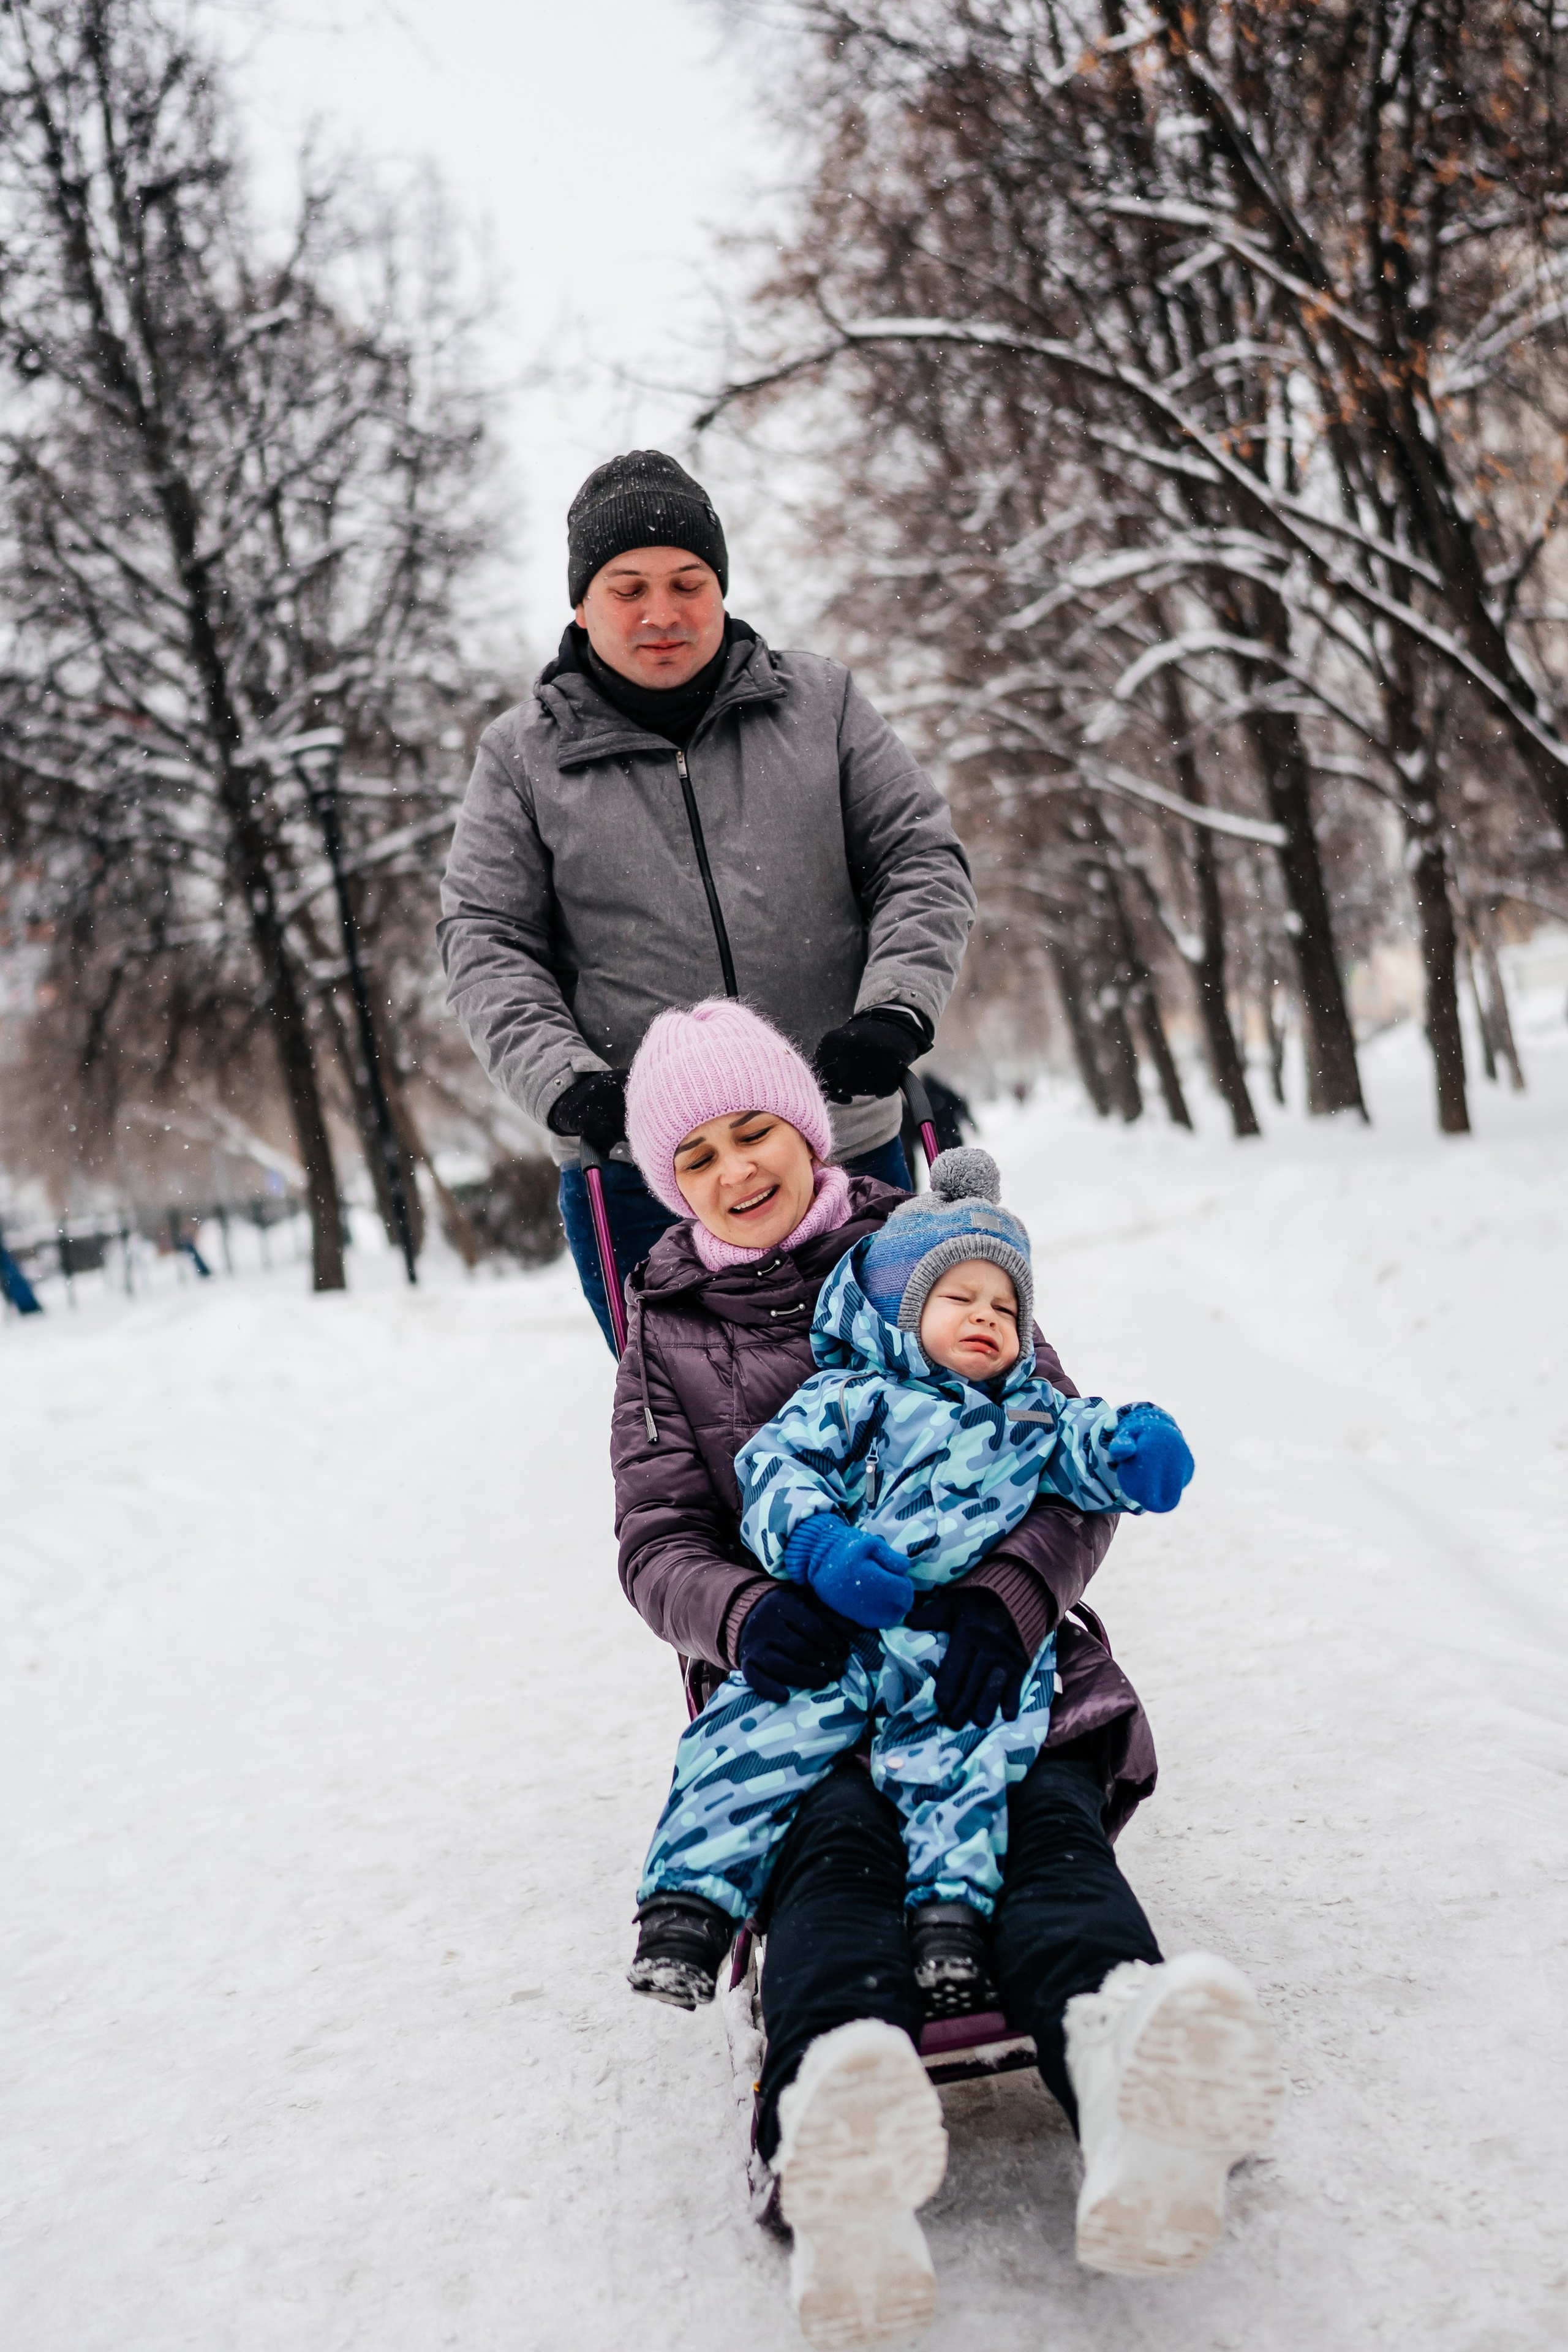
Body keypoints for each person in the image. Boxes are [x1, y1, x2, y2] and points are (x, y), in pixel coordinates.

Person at [609, 999, 1281, 2347]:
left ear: (808, 1131)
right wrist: (743, 1614)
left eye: (758, 1134)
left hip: (989, 1660)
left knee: (1042, 1831)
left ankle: (1127, 2065)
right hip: (807, 1676)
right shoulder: (664, 1332)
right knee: (833, 1850)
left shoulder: (937, 1258)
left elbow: (1062, 1452)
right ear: (662, 1185)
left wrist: (1010, 1592)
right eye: (697, 1159)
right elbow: (656, 1539)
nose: (737, 1173)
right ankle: (836, 2114)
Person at [631, 1144, 1196, 2016]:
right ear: (893, 1314)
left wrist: (1135, 1449)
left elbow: (1085, 1447)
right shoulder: (852, 1392)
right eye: (961, 1301)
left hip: (960, 1646)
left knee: (972, 1772)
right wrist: (798, 1568)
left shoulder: (1024, 1401)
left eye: (1006, 1307)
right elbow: (765, 1477)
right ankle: (688, 1912)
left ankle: (952, 1931)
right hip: (829, 1632)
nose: (988, 1318)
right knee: (748, 1748)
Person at [437, 448, 978, 1347]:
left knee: (902, 1415)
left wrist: (896, 1010)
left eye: (689, 581)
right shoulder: (521, 758)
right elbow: (486, 942)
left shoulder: (823, 706)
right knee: (698, 1442)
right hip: (649, 1181)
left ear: (720, 587)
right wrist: (568, 1085)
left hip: (844, 1145)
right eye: (628, 587)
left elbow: (919, 856)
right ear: (581, 604)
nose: (662, 613)